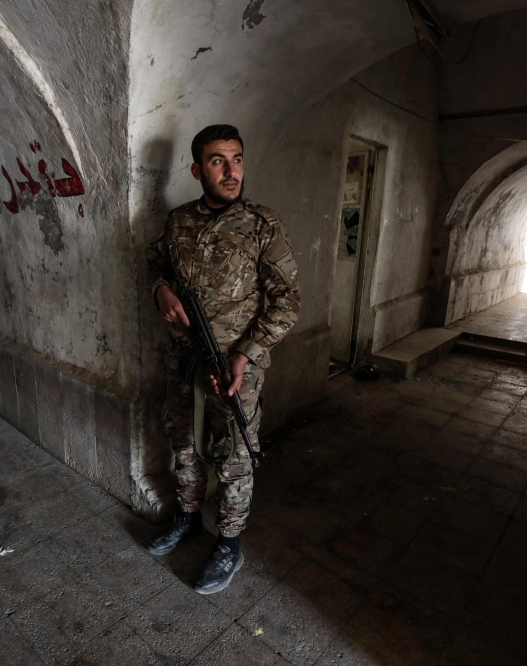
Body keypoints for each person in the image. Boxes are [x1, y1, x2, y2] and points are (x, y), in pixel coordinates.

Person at [146, 124, 301, 594]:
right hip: (184, 362)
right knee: (184, 443)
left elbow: (288, 301)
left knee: (234, 456)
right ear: (197, 169)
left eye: (236, 158)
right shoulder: (177, 222)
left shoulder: (262, 224)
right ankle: (189, 516)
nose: (231, 171)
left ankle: (229, 542)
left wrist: (245, 355)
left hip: (236, 371)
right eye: (217, 160)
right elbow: (156, 264)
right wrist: (161, 291)